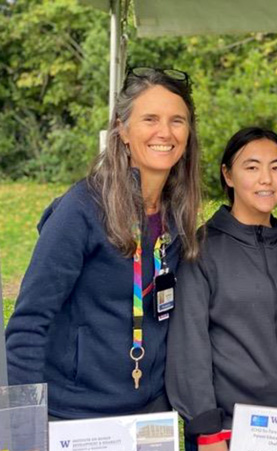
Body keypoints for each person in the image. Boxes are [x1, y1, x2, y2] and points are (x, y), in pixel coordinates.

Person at [5, 67, 201, 419]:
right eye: (150, 119)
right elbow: (27, 326)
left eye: (177, 120)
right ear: (123, 130)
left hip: (149, 416)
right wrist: (27, 427)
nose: (164, 132)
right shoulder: (82, 209)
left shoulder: (178, 215)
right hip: (74, 417)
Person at [166, 127, 277, 450]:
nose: (266, 179)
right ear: (228, 175)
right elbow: (189, 345)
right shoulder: (200, 250)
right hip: (229, 433)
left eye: (276, 167)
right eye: (252, 167)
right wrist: (207, 430)